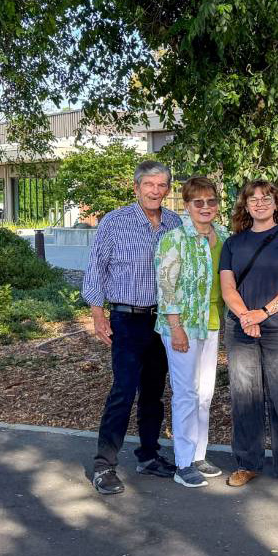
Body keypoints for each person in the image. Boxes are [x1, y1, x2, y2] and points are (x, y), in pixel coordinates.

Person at [83, 160, 182, 495]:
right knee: (123, 390)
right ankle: (103, 465)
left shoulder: (174, 222)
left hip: (163, 320)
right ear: (137, 187)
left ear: (168, 190)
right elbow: (96, 268)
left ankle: (149, 455)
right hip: (126, 319)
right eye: (149, 185)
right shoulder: (115, 221)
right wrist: (98, 314)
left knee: (154, 392)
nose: (155, 191)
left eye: (161, 185)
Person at [219, 180, 278, 487]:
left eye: (265, 198)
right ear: (245, 206)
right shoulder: (233, 244)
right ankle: (248, 462)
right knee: (245, 396)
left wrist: (264, 312)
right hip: (241, 327)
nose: (259, 203)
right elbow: (228, 286)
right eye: (252, 199)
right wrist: (246, 315)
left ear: (276, 203)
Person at [154, 177, 229, 488]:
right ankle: (183, 462)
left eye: (211, 201)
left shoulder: (224, 236)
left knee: (205, 393)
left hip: (211, 323)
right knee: (185, 394)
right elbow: (166, 287)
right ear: (186, 206)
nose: (205, 207)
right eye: (198, 202)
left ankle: (199, 453)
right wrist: (176, 327)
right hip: (181, 326)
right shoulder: (174, 239)